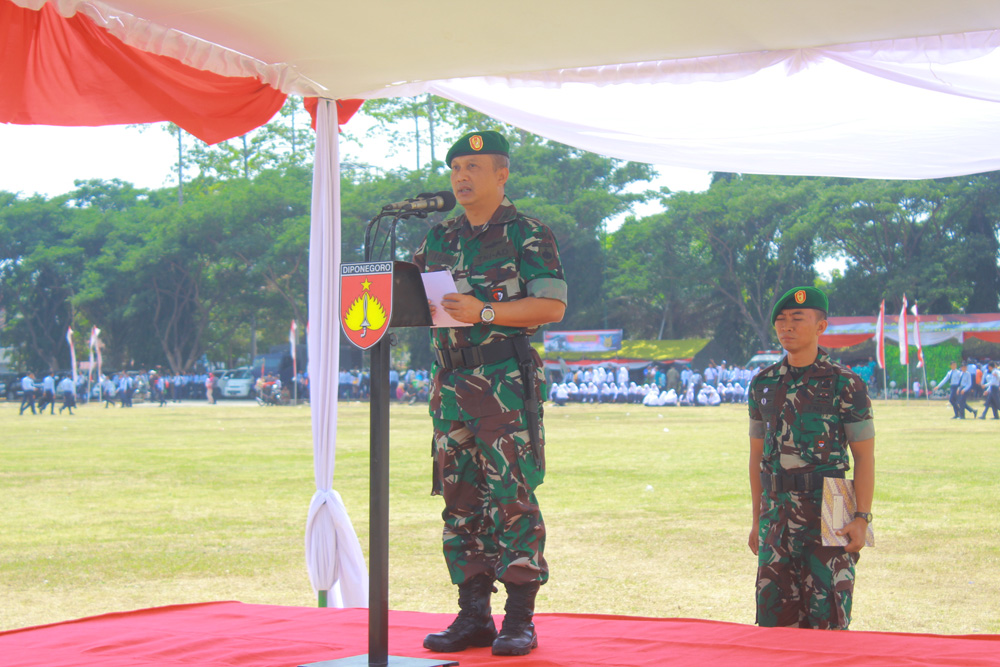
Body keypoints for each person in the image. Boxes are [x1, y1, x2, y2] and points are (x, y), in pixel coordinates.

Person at [413, 131, 567, 657]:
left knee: (513, 500)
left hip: (502, 385)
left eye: (474, 166)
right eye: (456, 166)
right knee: (459, 503)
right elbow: (413, 298)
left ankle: (519, 619)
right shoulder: (439, 238)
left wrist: (484, 310)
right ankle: (473, 614)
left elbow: (550, 307)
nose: (461, 176)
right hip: (450, 386)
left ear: (502, 174)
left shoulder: (527, 234)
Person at [748, 286, 875, 630]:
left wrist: (862, 517)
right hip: (776, 511)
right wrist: (756, 518)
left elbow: (864, 456)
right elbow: (757, 457)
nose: (786, 326)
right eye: (781, 320)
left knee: (828, 619)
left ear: (821, 327)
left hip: (831, 508)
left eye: (797, 319)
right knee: (774, 623)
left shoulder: (845, 384)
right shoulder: (763, 383)